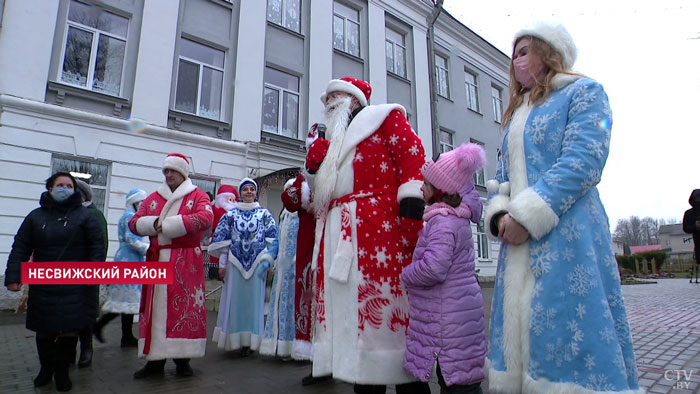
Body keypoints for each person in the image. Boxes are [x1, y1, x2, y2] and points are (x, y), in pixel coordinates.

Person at [483, 22, 641, 393]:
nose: (516, 62)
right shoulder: (517, 114)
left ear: (548, 52)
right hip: (518, 245)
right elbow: (502, 177)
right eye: (514, 56)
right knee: (522, 339)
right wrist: (501, 214)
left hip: (568, 236)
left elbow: (584, 160)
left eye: (524, 52)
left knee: (570, 333)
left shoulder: (584, 92)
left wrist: (525, 215)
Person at [305, 77, 426, 393]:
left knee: (384, 312)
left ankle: (407, 381)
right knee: (349, 312)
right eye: (326, 98)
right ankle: (361, 375)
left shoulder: (385, 117)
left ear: (355, 100)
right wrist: (315, 168)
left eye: (335, 96)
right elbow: (321, 196)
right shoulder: (333, 139)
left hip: (377, 229)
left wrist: (411, 208)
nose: (328, 103)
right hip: (338, 230)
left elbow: (412, 157)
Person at [4, 171, 106, 391]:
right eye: (59, 185)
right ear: (50, 189)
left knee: (69, 331)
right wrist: (14, 276)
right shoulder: (35, 217)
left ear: (75, 190)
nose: (64, 188)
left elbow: (97, 247)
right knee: (45, 330)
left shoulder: (85, 216)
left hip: (75, 285)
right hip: (44, 285)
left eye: (68, 185)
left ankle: (62, 372)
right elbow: (20, 246)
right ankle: (46, 369)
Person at [402, 143, 487, 394]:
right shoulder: (454, 217)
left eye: (426, 184)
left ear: (439, 190)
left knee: (456, 383)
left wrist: (407, 273)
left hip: (447, 321)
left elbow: (433, 268)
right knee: (461, 380)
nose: (421, 188)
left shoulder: (442, 221)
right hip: (458, 318)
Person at [128, 153, 213, 379]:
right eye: (165, 171)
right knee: (155, 309)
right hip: (157, 259)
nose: (168, 175)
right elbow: (134, 222)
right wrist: (154, 224)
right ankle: (155, 362)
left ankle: (183, 360)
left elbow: (206, 218)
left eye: (172, 171)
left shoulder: (198, 195)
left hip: (186, 260)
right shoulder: (154, 198)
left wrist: (170, 226)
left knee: (184, 307)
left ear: (182, 172)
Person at [209, 178, 278, 355]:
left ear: (255, 193)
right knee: (236, 303)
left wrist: (269, 262)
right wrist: (222, 265)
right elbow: (224, 243)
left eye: (251, 189)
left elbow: (272, 242)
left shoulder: (264, 214)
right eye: (245, 189)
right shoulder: (231, 215)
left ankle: (251, 342)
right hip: (235, 265)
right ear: (240, 193)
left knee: (254, 304)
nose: (249, 192)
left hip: (257, 265)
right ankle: (235, 340)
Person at [94, 188, 149, 347]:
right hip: (128, 260)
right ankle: (99, 326)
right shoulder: (129, 217)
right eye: (142, 202)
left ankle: (126, 336)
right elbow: (132, 241)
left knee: (128, 301)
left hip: (130, 259)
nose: (144, 205)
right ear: (135, 202)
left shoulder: (130, 216)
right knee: (124, 300)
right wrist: (150, 249)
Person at [260, 178, 300, 358]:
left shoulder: (303, 215)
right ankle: (278, 343)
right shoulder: (283, 216)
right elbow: (277, 240)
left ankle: (294, 347)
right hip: (282, 272)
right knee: (278, 307)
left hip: (297, 270)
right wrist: (268, 258)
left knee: (293, 308)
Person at [73, 179, 109, 368]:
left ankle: (87, 348)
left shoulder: (95, 215)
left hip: (87, 272)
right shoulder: (67, 213)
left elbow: (100, 246)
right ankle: (68, 351)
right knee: (68, 312)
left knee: (86, 312)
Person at [208, 184, 238, 278]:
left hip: (233, 240)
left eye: (232, 199)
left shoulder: (236, 213)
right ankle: (214, 273)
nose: (230, 202)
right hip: (218, 237)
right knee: (216, 257)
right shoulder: (218, 210)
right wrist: (211, 202)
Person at [682, 189, 700, 282]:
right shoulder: (689, 213)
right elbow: (685, 228)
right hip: (698, 240)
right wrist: (695, 226)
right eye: (697, 198)